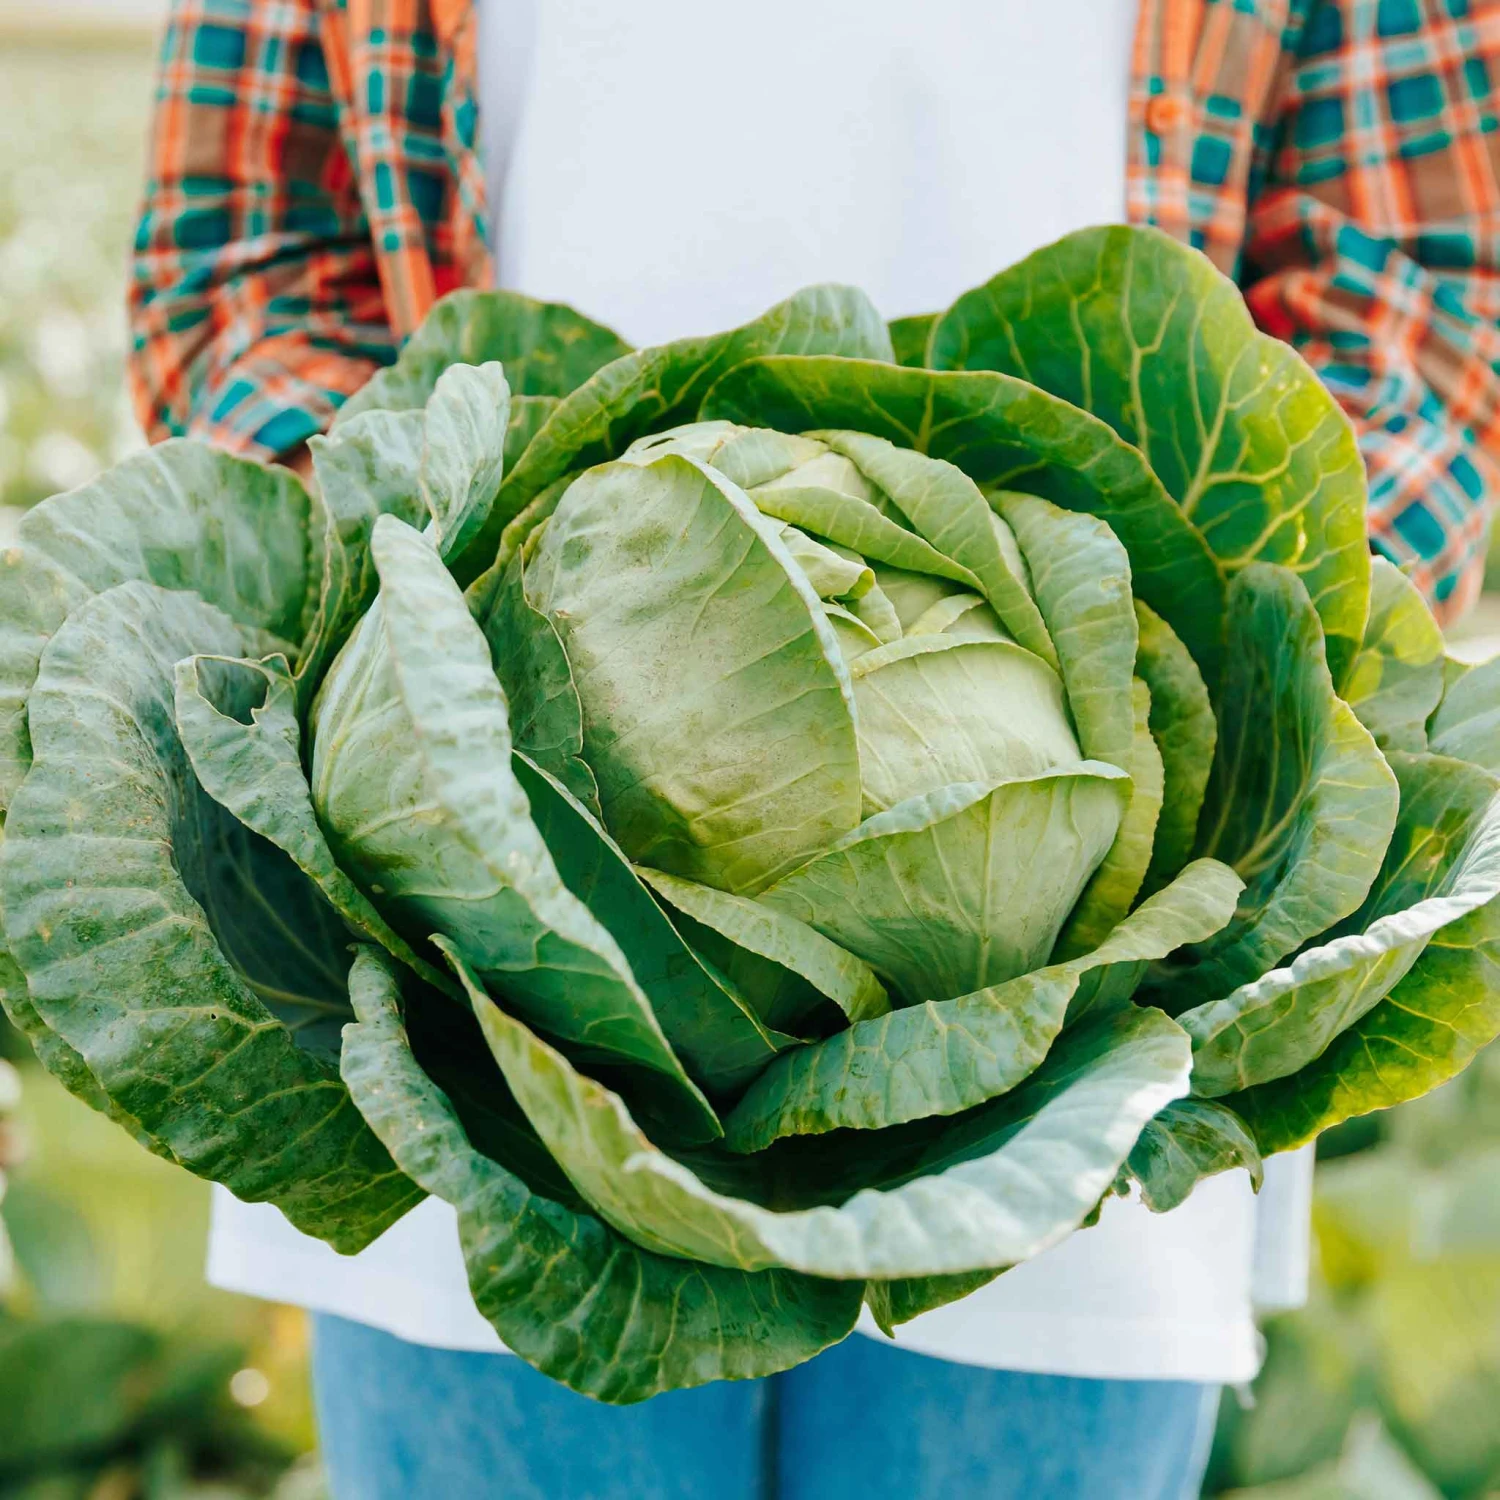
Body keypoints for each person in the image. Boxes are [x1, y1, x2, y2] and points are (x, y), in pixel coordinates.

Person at [126, 2, 1500, 1496]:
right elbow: (238, 263)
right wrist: (435, 606)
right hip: (475, 1010)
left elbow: (1422, 306)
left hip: (1079, 1029)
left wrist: (1208, 636)